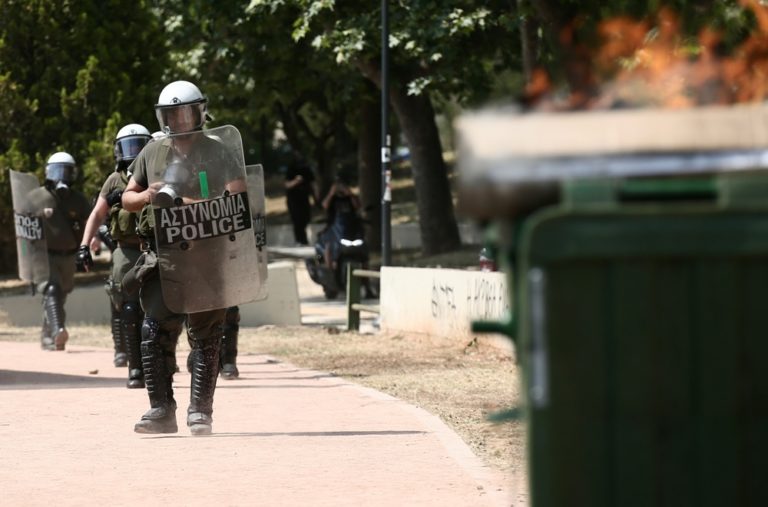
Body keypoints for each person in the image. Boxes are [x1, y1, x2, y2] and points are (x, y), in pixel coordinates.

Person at [122, 80, 247, 435]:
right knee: (154, 330)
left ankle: (200, 411)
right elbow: (128, 199)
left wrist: (185, 204)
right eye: (171, 114)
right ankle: (161, 410)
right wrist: (149, 194)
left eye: (185, 112)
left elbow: (238, 199)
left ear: (199, 112)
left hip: (207, 257)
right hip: (164, 258)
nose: (178, 120)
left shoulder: (218, 150)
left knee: (206, 334)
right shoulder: (152, 152)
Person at [76, 123, 152, 388]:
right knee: (129, 308)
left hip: (160, 247)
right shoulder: (113, 180)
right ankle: (136, 368)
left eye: (139, 145)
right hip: (128, 249)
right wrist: (85, 245)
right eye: (128, 146)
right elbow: (97, 214)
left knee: (167, 307)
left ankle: (163, 360)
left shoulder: (158, 171)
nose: (134, 152)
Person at [27, 152, 91, 351]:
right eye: (57, 171)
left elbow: (89, 222)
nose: (61, 176)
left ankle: (48, 335)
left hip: (68, 255)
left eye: (66, 171)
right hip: (43, 255)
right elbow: (22, 225)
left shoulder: (78, 200)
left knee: (59, 295)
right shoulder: (35, 197)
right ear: (48, 172)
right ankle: (58, 331)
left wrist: (92, 242)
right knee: (51, 290)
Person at [284, 158, 316, 245]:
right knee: (297, 221)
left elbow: (313, 184)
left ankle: (305, 240)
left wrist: (316, 197)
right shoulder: (291, 169)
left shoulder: (307, 169)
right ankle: (300, 240)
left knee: (306, 219)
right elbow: (287, 185)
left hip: (305, 199)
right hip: (293, 200)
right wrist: (296, 181)